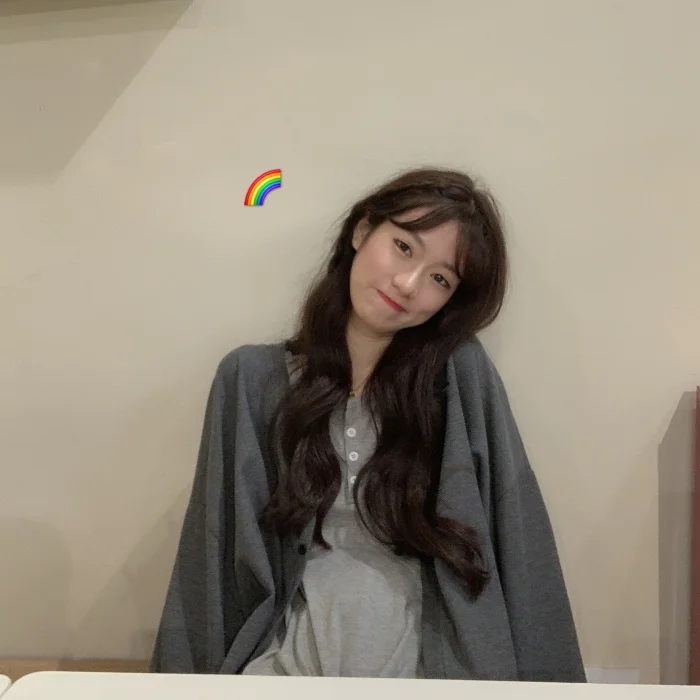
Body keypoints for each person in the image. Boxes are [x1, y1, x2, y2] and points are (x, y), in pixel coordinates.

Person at [149, 167, 586, 681]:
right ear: (362, 230)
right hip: (284, 665)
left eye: (440, 279)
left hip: (424, 671)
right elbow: (210, 551)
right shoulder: (249, 379)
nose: (408, 284)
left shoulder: (458, 377)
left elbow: (519, 533)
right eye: (403, 247)